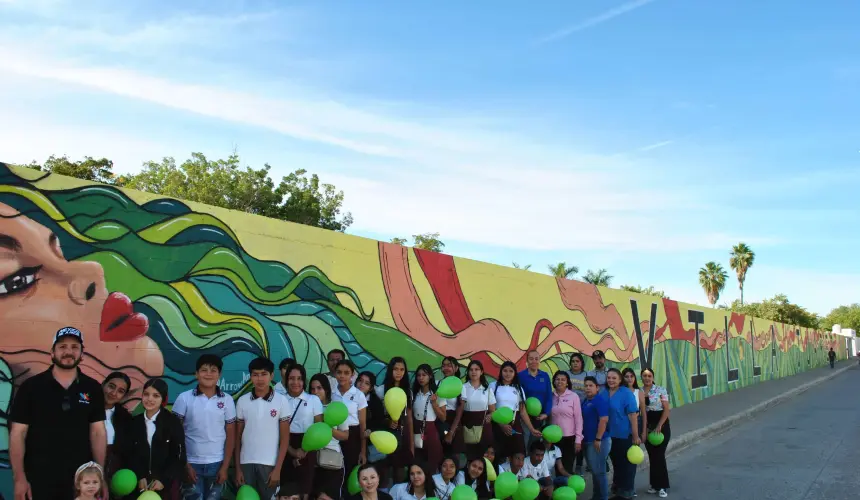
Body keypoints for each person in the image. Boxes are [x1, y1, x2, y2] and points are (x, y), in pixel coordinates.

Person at [9, 326, 108, 500]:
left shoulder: (92, 388)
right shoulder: (31, 388)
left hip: (81, 482)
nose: (68, 352)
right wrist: (19, 478)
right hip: (39, 479)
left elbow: (97, 432)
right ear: (52, 353)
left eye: (74, 347)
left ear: (82, 353)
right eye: (62, 347)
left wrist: (100, 475)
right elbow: (18, 433)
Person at [173, 354, 237, 500]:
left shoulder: (227, 400)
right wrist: (185, 464)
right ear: (196, 374)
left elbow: (231, 435)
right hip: (191, 464)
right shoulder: (184, 398)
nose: (208, 374)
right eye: (204, 370)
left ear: (219, 375)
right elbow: (176, 435)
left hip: (217, 464)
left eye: (213, 370)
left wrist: (225, 467)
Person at [235, 357, 292, 500]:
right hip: (246, 463)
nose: (259, 379)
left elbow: (285, 439)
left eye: (264, 374)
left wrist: (278, 469)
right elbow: (237, 438)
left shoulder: (281, 401)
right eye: (255, 374)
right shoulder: (242, 401)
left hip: (270, 464)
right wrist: (237, 468)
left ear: (272, 376)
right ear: (250, 376)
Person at [123, 378, 187, 498]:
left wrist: (164, 480)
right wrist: (139, 476)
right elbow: (128, 453)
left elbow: (179, 456)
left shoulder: (172, 423)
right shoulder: (133, 423)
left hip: (164, 487)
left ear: (163, 399)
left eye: (156, 395)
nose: (150, 399)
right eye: (146, 394)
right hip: (138, 486)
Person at [279, 363, 324, 499]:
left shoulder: (313, 400)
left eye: (299, 378)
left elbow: (319, 428)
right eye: (292, 378)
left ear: (304, 380)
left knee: (305, 489)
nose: (295, 382)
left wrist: (305, 450)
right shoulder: (280, 399)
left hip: (308, 448)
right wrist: (292, 451)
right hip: (285, 446)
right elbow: (279, 431)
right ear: (286, 380)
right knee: (286, 490)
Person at [489, 361, 542, 464]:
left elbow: (522, 411)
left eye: (511, 371)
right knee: (498, 455)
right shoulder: (493, 386)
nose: (507, 374)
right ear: (501, 372)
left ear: (514, 373)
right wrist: (502, 425)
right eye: (505, 371)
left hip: (515, 424)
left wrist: (531, 429)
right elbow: (491, 409)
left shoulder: (518, 388)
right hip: (497, 425)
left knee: (518, 453)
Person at [310, 374, 349, 500]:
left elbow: (345, 435)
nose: (316, 392)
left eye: (319, 388)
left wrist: (328, 429)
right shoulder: (306, 407)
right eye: (312, 389)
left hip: (332, 459)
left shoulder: (335, 408)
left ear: (326, 389)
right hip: (311, 459)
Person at [376, 357, 415, 485]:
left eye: (402, 369)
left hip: (402, 434)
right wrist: (388, 422)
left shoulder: (408, 391)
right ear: (390, 370)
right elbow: (377, 416)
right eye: (396, 369)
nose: (399, 372)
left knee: (400, 470)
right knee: (385, 470)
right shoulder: (381, 390)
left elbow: (409, 418)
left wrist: (411, 444)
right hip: (385, 434)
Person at [331, 359, 367, 498]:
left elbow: (363, 424)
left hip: (353, 436)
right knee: (335, 471)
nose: (342, 376)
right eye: (339, 372)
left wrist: (363, 451)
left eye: (346, 373)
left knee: (350, 472)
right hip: (334, 435)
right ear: (335, 374)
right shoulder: (332, 393)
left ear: (352, 375)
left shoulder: (359, 395)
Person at [605, 368, 641, 500]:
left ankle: (627, 492)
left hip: (625, 435)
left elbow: (633, 415)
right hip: (609, 435)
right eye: (609, 377)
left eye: (614, 378)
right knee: (617, 463)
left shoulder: (626, 393)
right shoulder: (605, 392)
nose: (611, 380)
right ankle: (618, 488)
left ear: (620, 380)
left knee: (627, 465)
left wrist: (636, 436)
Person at [454, 361, 496, 458]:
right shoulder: (462, 388)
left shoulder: (487, 390)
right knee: (469, 456)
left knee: (484, 456)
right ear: (468, 372)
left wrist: (490, 415)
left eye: (476, 369)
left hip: (483, 427)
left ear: (481, 372)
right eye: (471, 370)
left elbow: (492, 410)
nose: (474, 372)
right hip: (467, 426)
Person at [641, 368, 671, 498]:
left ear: (653, 377)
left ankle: (663, 486)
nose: (647, 378)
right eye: (644, 376)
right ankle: (654, 485)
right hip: (647, 425)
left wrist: (660, 425)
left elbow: (666, 409)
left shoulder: (660, 390)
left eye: (649, 376)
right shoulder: (639, 392)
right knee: (652, 456)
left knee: (659, 455)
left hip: (661, 426)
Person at [412, 364, 446, 471]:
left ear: (430, 376)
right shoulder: (414, 393)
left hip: (430, 431)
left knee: (432, 464)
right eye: (418, 375)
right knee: (417, 462)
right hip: (416, 430)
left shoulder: (437, 393)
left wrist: (434, 403)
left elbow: (443, 417)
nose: (421, 378)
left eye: (424, 375)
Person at [581, 376, 610, 500]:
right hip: (588, 441)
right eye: (586, 385)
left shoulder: (599, 400)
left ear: (597, 388)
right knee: (594, 472)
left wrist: (598, 439)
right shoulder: (585, 401)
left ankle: (603, 497)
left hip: (599, 441)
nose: (588, 388)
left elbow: (604, 420)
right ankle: (596, 496)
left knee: (600, 472)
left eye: (591, 385)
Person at [102, 372, 133, 487]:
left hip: (113, 476)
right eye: (111, 386)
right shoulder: (87, 410)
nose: (114, 393)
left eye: (120, 391)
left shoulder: (125, 418)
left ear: (124, 396)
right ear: (103, 384)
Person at [549, 371, 582, 478]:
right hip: (554, 438)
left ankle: (568, 492)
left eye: (563, 379)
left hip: (569, 438)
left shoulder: (573, 396)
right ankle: (559, 492)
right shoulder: (551, 396)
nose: (560, 381)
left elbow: (578, 419)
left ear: (567, 382)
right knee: (557, 468)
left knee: (567, 467)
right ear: (554, 381)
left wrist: (578, 439)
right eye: (557, 379)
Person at [518, 350, 553, 444]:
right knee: (524, 443)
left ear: (539, 361)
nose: (534, 361)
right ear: (527, 361)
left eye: (536, 359)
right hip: (524, 417)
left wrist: (546, 413)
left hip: (540, 417)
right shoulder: (520, 376)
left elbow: (549, 396)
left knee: (535, 445)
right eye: (531, 359)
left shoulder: (545, 376)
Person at [357, 371, 387, 464]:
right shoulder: (348, 397)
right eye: (360, 381)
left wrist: (370, 431)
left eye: (366, 383)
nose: (362, 385)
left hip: (368, 443)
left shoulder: (375, 403)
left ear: (371, 388)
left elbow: (380, 424)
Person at [437, 357, 463, 462]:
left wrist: (451, 432)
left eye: (449, 365)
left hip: (454, 424)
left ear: (456, 368)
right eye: (444, 365)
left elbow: (459, 412)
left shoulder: (461, 386)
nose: (446, 368)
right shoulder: (438, 384)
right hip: (440, 421)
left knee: (453, 458)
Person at [565, 353, 587, 475]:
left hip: (582, 411)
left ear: (581, 363)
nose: (575, 363)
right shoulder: (566, 374)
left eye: (577, 361)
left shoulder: (586, 375)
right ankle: (567, 465)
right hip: (568, 411)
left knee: (580, 438)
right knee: (570, 437)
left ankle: (579, 464)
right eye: (573, 361)